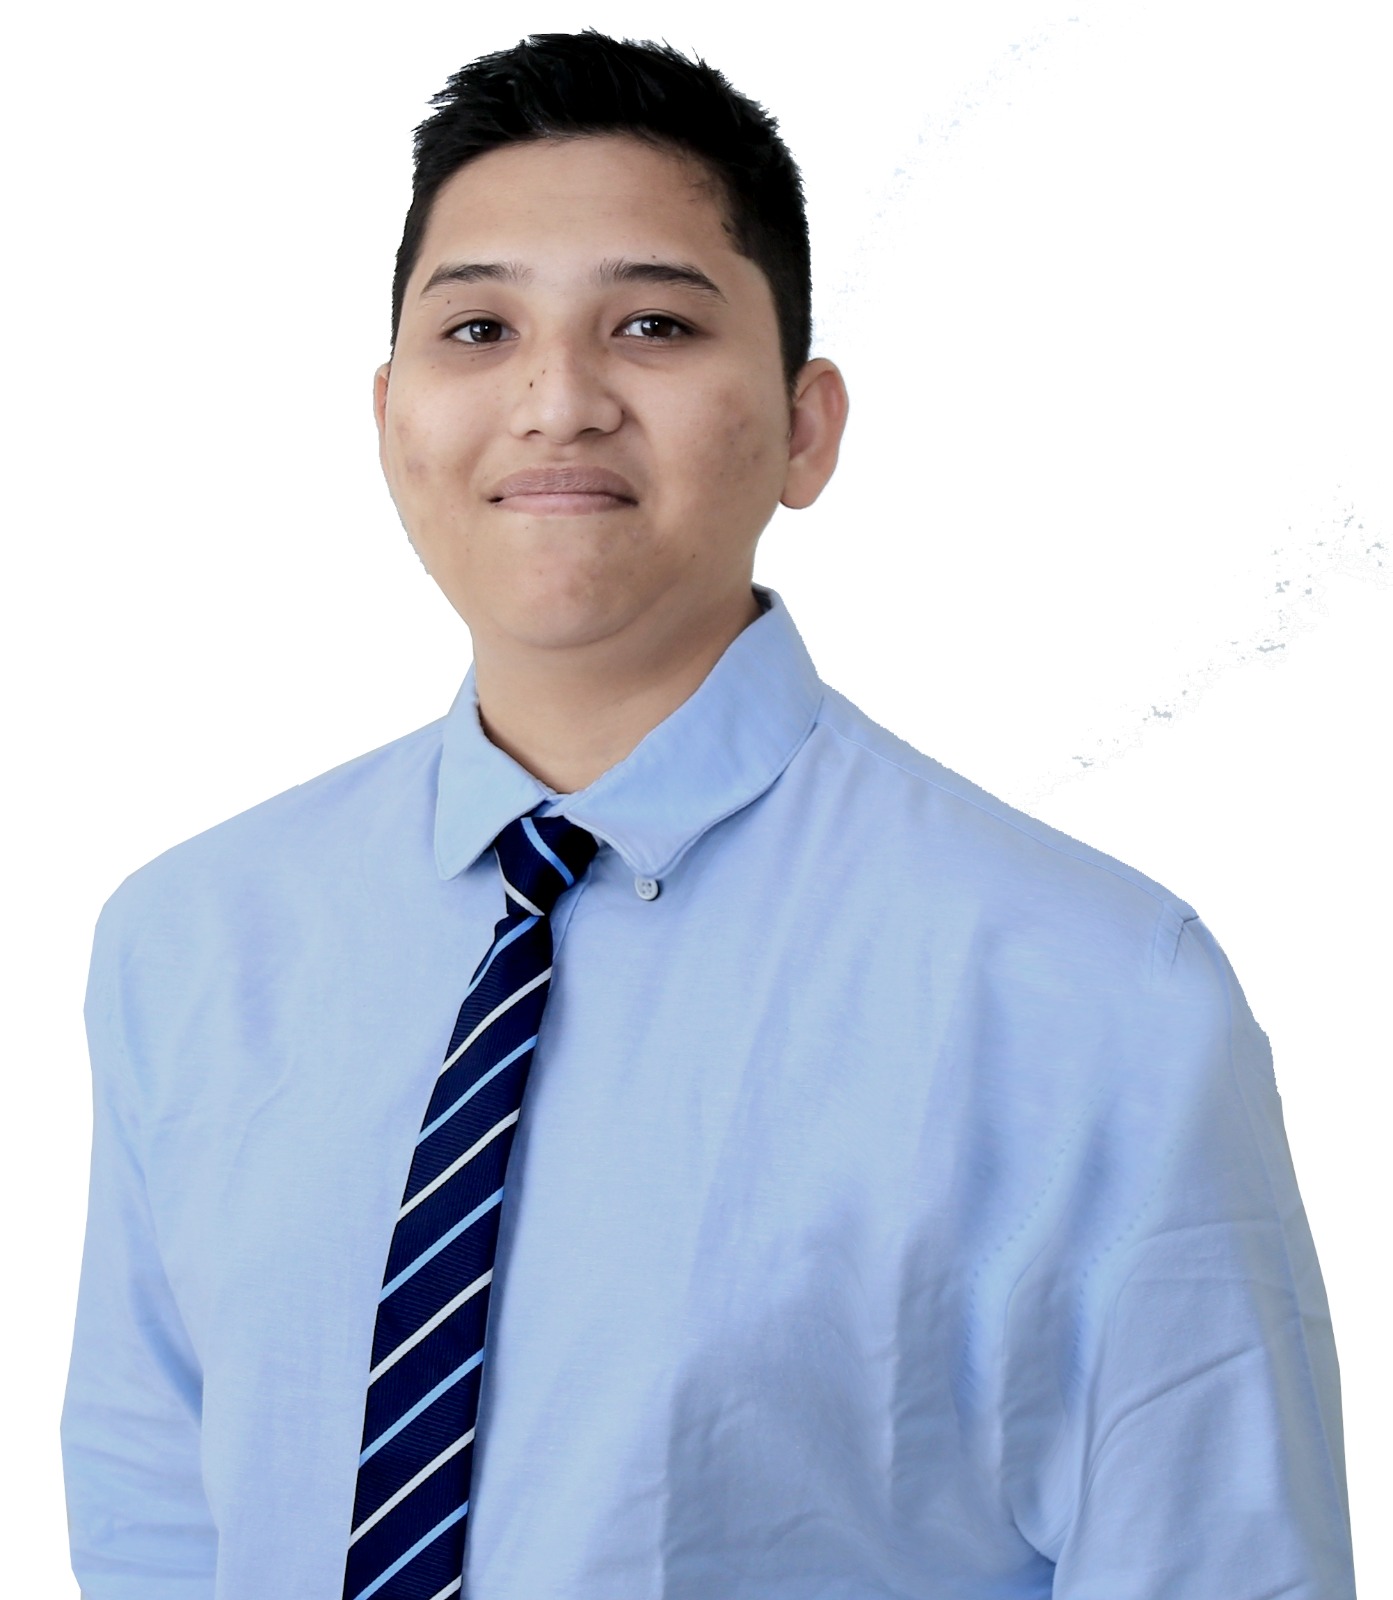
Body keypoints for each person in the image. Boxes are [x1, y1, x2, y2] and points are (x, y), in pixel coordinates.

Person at [60, 29, 1355, 1600]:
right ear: (391, 414)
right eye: (478, 328)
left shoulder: (1087, 992)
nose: (556, 399)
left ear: (806, 427)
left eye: (653, 325)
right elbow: (155, 1522)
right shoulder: (191, 944)